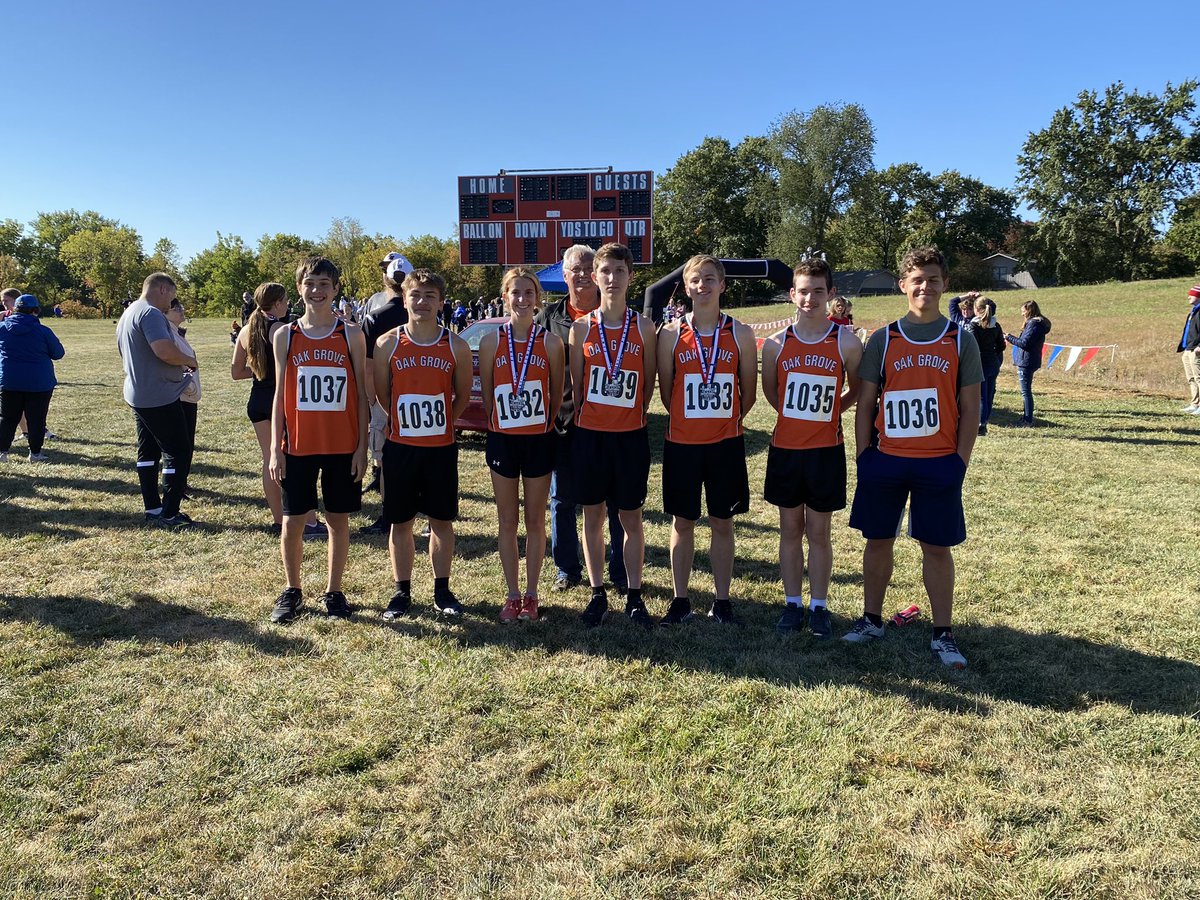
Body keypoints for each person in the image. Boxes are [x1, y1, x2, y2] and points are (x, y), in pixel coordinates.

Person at [844, 246, 982, 669]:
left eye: (933, 279)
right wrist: (864, 455)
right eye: (917, 280)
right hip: (885, 459)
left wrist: (959, 461)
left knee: (936, 547)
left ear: (945, 285)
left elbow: (972, 407)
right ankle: (872, 620)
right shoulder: (884, 338)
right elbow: (866, 403)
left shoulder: (961, 339)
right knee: (878, 539)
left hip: (939, 462)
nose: (925, 286)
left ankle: (943, 633)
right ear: (903, 285)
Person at [761, 259, 862, 638]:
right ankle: (792, 603)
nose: (810, 297)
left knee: (819, 532)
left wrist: (835, 408)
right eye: (803, 290)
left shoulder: (846, 342)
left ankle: (818, 605)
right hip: (786, 448)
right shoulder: (776, 344)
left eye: (818, 291)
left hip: (825, 450)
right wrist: (793, 416)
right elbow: (772, 392)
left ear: (830, 294)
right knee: (789, 528)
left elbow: (858, 388)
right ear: (792, 294)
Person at [657, 255, 758, 625]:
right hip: (682, 443)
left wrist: (723, 418)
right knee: (682, 522)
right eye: (696, 280)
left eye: (710, 279)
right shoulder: (669, 334)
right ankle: (680, 598)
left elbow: (748, 392)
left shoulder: (741, 333)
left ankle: (722, 600)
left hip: (725, 443)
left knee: (723, 522)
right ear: (686, 287)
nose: (703, 286)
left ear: (723, 285)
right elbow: (667, 392)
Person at [268, 257, 369, 623]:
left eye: (324, 284)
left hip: (342, 444)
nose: (317, 290)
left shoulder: (351, 334)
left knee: (337, 520)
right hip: (298, 445)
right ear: (299, 288)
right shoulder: (285, 334)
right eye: (310, 283)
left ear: (336, 289)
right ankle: (293, 589)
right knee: (293, 521)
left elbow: (361, 394)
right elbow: (280, 393)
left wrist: (362, 447)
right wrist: (274, 449)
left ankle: (334, 591)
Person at [374, 269, 473, 620]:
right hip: (401, 446)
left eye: (430, 296)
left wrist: (443, 419)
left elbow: (461, 395)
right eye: (416, 295)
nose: (422, 302)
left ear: (441, 302)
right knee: (400, 522)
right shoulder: (387, 343)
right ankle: (402, 591)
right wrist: (406, 422)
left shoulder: (456, 346)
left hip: (440, 448)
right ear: (404, 299)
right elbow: (383, 395)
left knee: (441, 521)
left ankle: (442, 589)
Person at [570, 243, 657, 628]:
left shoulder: (644, 327)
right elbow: (578, 384)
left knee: (631, 518)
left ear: (630, 276)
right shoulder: (580, 328)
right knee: (593, 517)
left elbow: (649, 383)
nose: (612, 278)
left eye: (619, 271)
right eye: (605, 271)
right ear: (595, 276)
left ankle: (635, 596)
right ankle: (596, 593)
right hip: (590, 436)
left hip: (630, 437)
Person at [535, 244, 627, 596]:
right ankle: (566, 568)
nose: (580, 273)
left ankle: (618, 570)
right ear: (565, 273)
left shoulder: (618, 317)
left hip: (609, 424)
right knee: (562, 498)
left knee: (615, 500)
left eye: (587, 266)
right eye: (573, 267)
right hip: (564, 424)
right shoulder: (549, 318)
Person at [478, 267, 564, 622]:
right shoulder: (490, 341)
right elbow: (486, 392)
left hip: (539, 441)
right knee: (506, 521)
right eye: (515, 292)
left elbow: (556, 394)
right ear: (505, 297)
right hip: (503, 441)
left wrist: (538, 422)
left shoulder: (550, 342)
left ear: (537, 298)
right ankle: (512, 594)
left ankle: (531, 594)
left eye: (529, 293)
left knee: (534, 521)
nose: (522, 299)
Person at [231, 283, 325, 538]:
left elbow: (236, 372)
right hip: (278, 400)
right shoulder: (279, 330)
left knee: (268, 460)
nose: (288, 305)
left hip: (257, 399)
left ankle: (277, 519)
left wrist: (259, 369)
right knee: (291, 461)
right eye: (285, 301)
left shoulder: (246, 330)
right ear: (277, 303)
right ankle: (308, 520)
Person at [116, 273, 199, 528]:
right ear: (162, 289)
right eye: (171, 297)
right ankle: (170, 513)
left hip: (138, 392)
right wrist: (188, 361)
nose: (170, 304)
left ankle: (153, 507)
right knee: (178, 451)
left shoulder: (128, 313)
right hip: (158, 395)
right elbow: (163, 350)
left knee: (148, 450)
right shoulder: (150, 313)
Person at [359, 253, 414, 531]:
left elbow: (368, 369)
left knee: (384, 458)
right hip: (416, 395)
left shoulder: (374, 316)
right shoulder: (422, 311)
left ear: (386, 279)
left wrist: (373, 400)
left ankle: (387, 515)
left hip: (384, 396)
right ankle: (425, 517)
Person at [0, 294, 65, 463]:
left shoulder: (3, 328)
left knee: (7, 418)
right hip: (39, 382)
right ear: (35, 311)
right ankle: (35, 453)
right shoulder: (43, 331)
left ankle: (2, 452)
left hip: (10, 380)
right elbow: (58, 353)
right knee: (36, 419)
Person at [1005, 299, 1052, 427]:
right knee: (1025, 391)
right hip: (1029, 360)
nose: (1022, 314)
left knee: (1026, 392)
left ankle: (1028, 420)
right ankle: (1026, 417)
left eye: (1023, 311)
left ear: (1029, 311)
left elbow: (1024, 343)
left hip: (1027, 361)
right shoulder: (1036, 324)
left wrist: (1009, 337)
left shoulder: (1034, 325)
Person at [165, 299, 200, 456]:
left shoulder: (176, 332)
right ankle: (179, 481)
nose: (181, 309)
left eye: (180, 306)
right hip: (181, 397)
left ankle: (181, 480)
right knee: (181, 448)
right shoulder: (169, 335)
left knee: (186, 446)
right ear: (165, 313)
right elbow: (176, 364)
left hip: (187, 396)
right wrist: (189, 386)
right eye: (176, 308)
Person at [964, 297, 1005, 434]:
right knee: (989, 393)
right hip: (993, 362)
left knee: (981, 396)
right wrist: (993, 354)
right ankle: (985, 420)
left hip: (979, 363)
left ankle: (981, 426)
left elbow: (971, 346)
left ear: (977, 309)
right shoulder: (996, 325)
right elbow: (1002, 345)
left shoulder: (973, 325)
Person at [1177, 285, 1200, 414]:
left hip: (1196, 349)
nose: (1189, 297)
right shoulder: (1193, 311)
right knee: (1191, 377)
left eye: (1192, 294)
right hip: (1188, 348)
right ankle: (1195, 403)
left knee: (1199, 377)